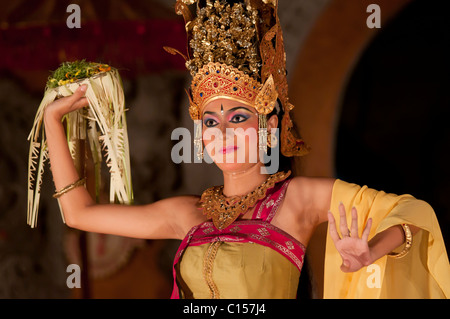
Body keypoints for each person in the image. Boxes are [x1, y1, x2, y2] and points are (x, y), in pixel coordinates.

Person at [42, 0, 449, 298]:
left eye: (237, 118)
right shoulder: (188, 214)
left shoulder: (295, 201)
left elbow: (413, 215)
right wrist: (51, 122)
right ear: (200, 136)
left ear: (269, 128)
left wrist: (371, 251)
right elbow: (79, 213)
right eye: (210, 122)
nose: (222, 132)